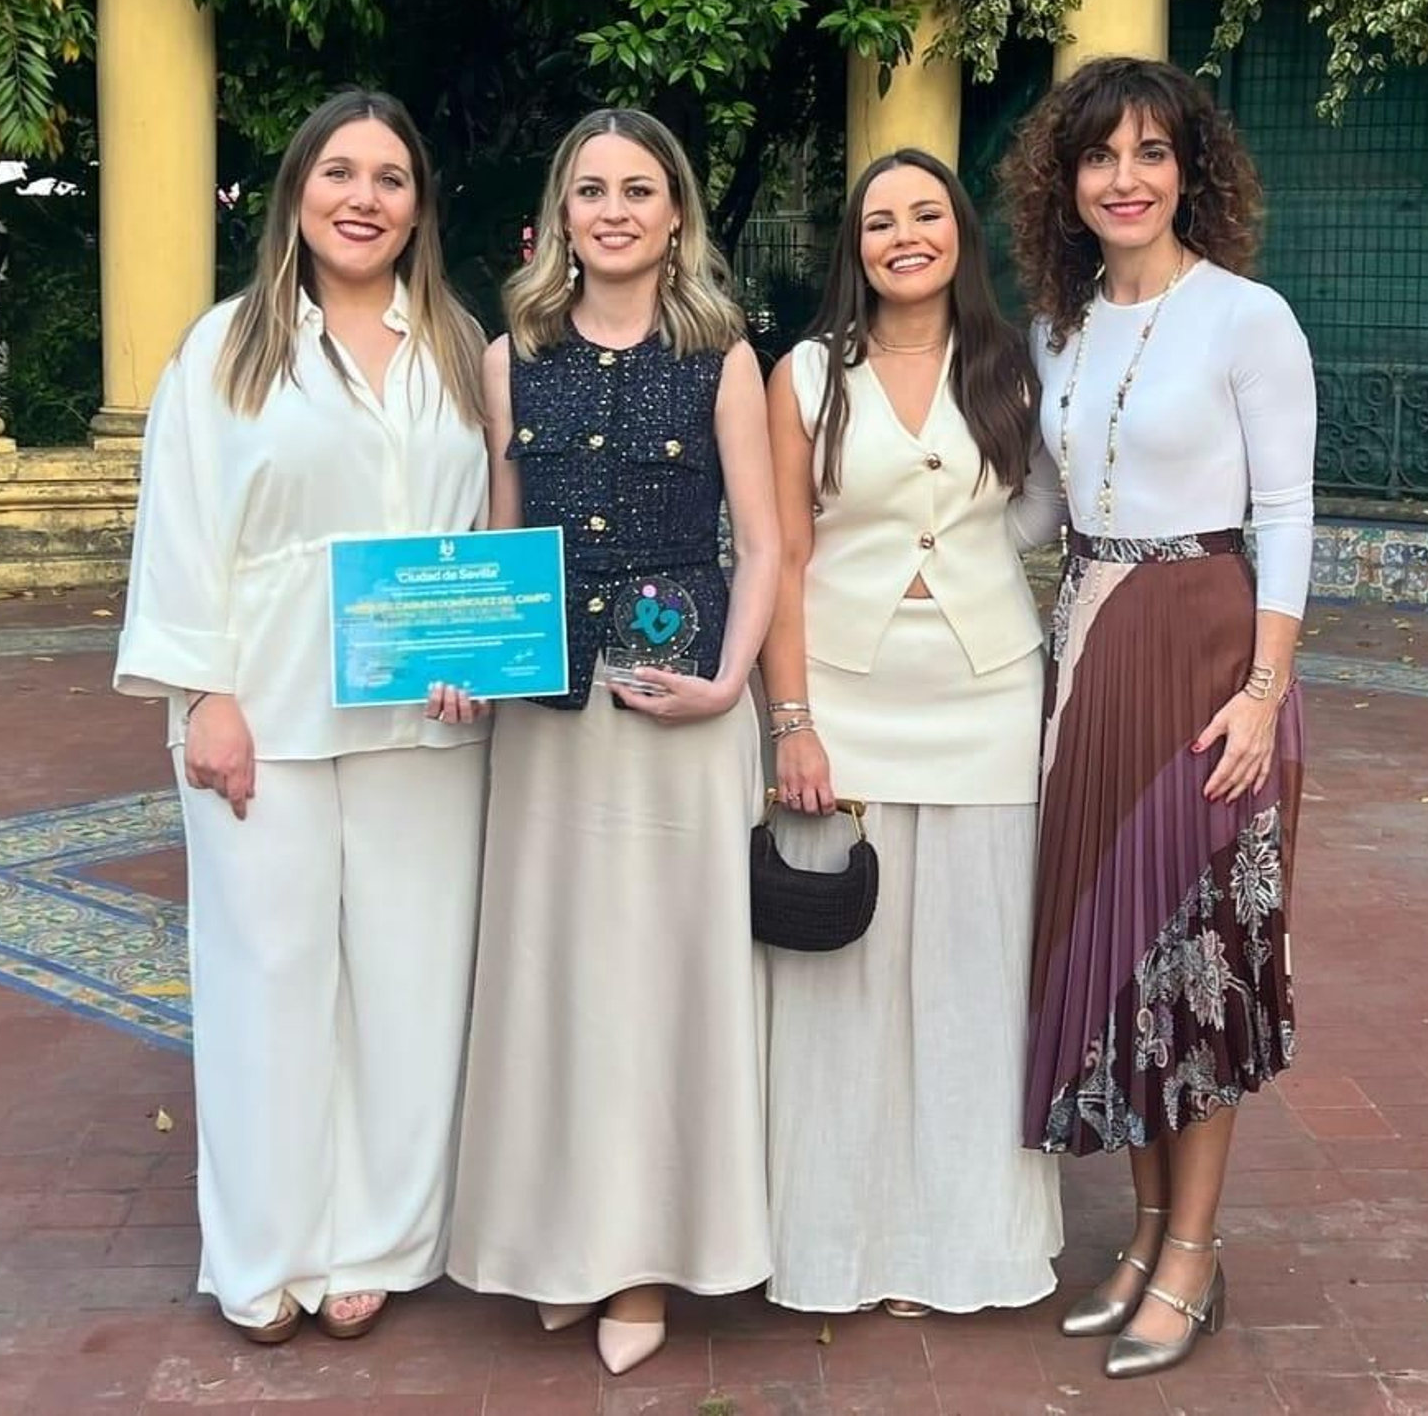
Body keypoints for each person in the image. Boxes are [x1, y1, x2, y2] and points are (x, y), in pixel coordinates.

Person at [114, 90, 491, 1344]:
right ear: (296, 193)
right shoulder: (225, 348)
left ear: (418, 208)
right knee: (264, 978)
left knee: (407, 980)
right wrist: (202, 693)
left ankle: (374, 1239)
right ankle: (264, 1250)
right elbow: (182, 529)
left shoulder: (454, 345)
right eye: (340, 171)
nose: (364, 197)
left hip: (423, 721)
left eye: (390, 177)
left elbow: (484, 537)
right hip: (263, 711)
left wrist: (479, 651)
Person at [446, 108, 779, 1376]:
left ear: (676, 214)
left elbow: (761, 542)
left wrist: (733, 684)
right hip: (548, 719)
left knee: (659, 987)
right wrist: (466, 657)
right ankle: (557, 1240)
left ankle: (643, 1259)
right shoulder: (510, 354)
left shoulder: (721, 356)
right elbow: (498, 533)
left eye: (641, 190)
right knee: (550, 979)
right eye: (592, 190)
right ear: (562, 213)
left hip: (677, 708)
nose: (616, 210)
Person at [1001, 56, 1314, 1378]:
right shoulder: (1055, 328)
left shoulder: (1249, 317)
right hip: (1087, 648)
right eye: (1098, 157)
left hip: (1206, 655)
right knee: (1118, 955)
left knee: (1204, 960)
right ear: (1065, 183)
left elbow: (1290, 513)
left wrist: (1265, 687)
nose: (1124, 180)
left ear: (1191, 168)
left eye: (1150, 153)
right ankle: (1139, 1234)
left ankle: (1196, 1252)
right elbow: (1026, 511)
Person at [756, 148, 1064, 1317]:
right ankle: (839, 1240)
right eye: (879, 220)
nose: (903, 235)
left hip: (986, 691)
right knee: (847, 978)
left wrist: (981, 560)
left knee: (974, 974)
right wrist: (792, 718)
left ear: (958, 233)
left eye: (925, 214)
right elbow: (781, 552)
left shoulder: (1015, 364)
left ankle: (964, 1243)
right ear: (856, 247)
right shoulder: (805, 374)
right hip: (846, 692)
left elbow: (1041, 502)